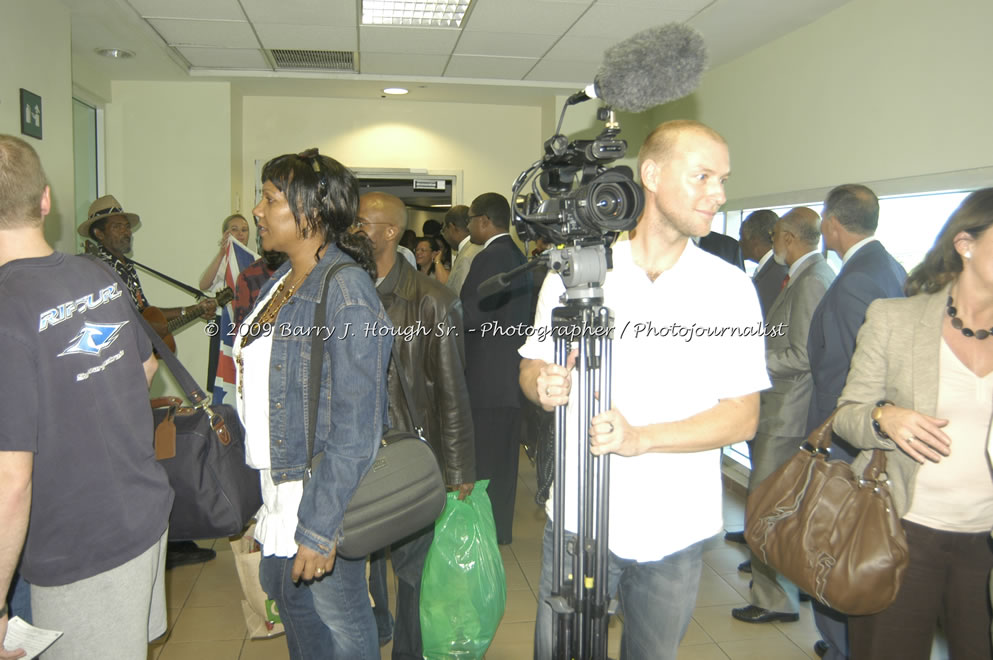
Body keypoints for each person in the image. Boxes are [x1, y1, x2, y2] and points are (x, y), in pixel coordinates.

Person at [520, 120, 769, 659]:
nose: (718, 194)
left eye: (723, 179)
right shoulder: (578, 272)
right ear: (651, 175)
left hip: (674, 531)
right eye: (702, 176)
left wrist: (641, 439)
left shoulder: (728, 290)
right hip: (577, 520)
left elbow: (742, 416)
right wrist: (542, 383)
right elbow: (533, 363)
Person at [0, 134, 173, 659]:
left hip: (81, 547)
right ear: (45, 200)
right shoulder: (96, 273)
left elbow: (11, 479)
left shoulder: (7, 310)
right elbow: (145, 364)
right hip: (142, 516)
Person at [234, 149, 392, 659]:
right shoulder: (285, 279)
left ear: (313, 212)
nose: (258, 211)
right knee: (291, 600)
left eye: (270, 199)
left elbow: (356, 426)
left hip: (321, 492)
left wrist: (320, 530)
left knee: (342, 621)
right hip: (283, 487)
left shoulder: (345, 291)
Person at [833, 188, 993, 659]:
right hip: (902, 532)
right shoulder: (895, 320)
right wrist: (886, 416)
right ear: (965, 244)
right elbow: (847, 416)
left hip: (984, 544)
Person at [352, 191, 476, 658]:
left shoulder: (434, 303)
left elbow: (451, 393)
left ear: (388, 232)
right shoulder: (345, 289)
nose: (351, 230)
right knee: (356, 565)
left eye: (361, 223)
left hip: (409, 457)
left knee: (413, 572)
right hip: (353, 454)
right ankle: (375, 628)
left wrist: (458, 470)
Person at [80, 194, 217, 569]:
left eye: (127, 225)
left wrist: (193, 309)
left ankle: (169, 537)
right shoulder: (97, 269)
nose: (126, 231)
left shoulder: (124, 266)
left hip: (135, 372)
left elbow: (147, 317)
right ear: (98, 232)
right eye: (118, 225)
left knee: (151, 455)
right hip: (119, 377)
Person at [804, 185, 906, 660]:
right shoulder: (889, 266)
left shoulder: (855, 281)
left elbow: (849, 379)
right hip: (881, 433)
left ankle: (841, 648)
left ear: (831, 225)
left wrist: (826, 446)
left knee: (834, 547)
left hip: (847, 441)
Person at [731, 207, 834, 625]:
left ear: (789, 237)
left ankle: (774, 599)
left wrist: (751, 358)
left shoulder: (812, 281)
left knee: (764, 509)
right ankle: (784, 590)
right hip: (784, 410)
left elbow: (803, 356)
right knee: (781, 510)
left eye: (775, 235)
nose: (772, 244)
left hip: (786, 413)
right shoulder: (808, 276)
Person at [461, 192, 533, 545]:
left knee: (486, 463)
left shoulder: (488, 258)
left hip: (486, 378)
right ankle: (499, 530)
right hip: (512, 374)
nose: (469, 226)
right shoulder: (519, 256)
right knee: (504, 463)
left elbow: (473, 314)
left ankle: (484, 534)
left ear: (485, 221)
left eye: (471, 219)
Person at [739, 209, 789, 317]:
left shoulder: (778, 274)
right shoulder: (775, 268)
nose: (740, 243)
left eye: (742, 237)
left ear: (754, 240)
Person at [199, 213, 251, 291]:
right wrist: (221, 254)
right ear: (225, 234)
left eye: (244, 230)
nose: (240, 233)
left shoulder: (254, 260)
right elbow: (203, 286)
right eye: (234, 229)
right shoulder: (223, 259)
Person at [441, 205, 483, 296]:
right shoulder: (477, 247)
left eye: (444, 230)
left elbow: (461, 299)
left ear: (452, 227)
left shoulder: (466, 257)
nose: (445, 236)